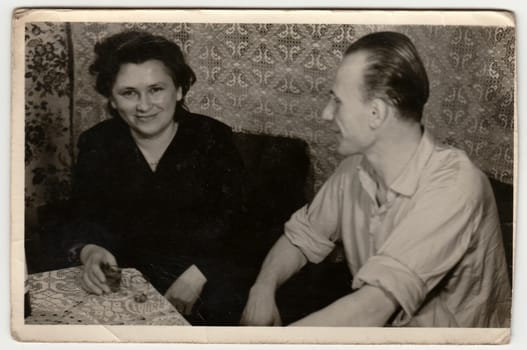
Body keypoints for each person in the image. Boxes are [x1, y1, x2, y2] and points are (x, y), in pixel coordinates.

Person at [240, 31, 511, 327]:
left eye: (337, 101)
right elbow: (300, 239)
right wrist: (262, 289)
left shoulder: (457, 184)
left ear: (376, 113)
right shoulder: (353, 170)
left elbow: (372, 307)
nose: (325, 114)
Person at [66, 30, 247, 325]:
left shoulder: (212, 138)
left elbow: (244, 225)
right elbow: (81, 215)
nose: (144, 105)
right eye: (128, 93)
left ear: (178, 90)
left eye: (156, 89)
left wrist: (200, 273)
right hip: (124, 282)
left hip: (207, 282)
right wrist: (90, 250)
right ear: (111, 99)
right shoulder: (98, 142)